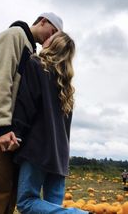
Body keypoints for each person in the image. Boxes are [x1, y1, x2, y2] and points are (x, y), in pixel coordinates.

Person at [0, 12, 63, 214]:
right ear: (42, 21)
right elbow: (1, 79)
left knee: (8, 194)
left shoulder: (30, 47)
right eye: (53, 31)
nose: (52, 37)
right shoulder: (14, 35)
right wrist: (2, 126)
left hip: (11, 130)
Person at [9, 32, 89, 214]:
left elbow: (25, 105)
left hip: (38, 150)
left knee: (26, 202)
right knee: (53, 208)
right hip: (60, 156)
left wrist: (16, 133)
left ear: (52, 45)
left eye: (50, 37)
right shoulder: (67, 86)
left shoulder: (36, 64)